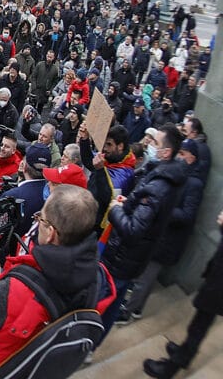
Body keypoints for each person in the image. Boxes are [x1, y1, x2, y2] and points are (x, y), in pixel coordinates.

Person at [0, 185, 116, 378]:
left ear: (51, 233)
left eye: (41, 219)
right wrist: (6, 278)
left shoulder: (14, 291)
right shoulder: (98, 275)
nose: (37, 223)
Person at [99, 124, 186, 339]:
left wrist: (116, 211)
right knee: (114, 301)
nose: (150, 146)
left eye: (156, 143)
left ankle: (87, 343)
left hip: (123, 258)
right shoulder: (163, 176)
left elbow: (134, 229)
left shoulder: (160, 186)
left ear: (166, 152)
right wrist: (129, 204)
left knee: (103, 303)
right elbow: (146, 213)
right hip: (133, 258)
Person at [143, 208, 223, 378]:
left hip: (219, 285)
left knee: (199, 326)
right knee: (201, 322)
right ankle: (185, 354)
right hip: (217, 278)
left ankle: (171, 368)